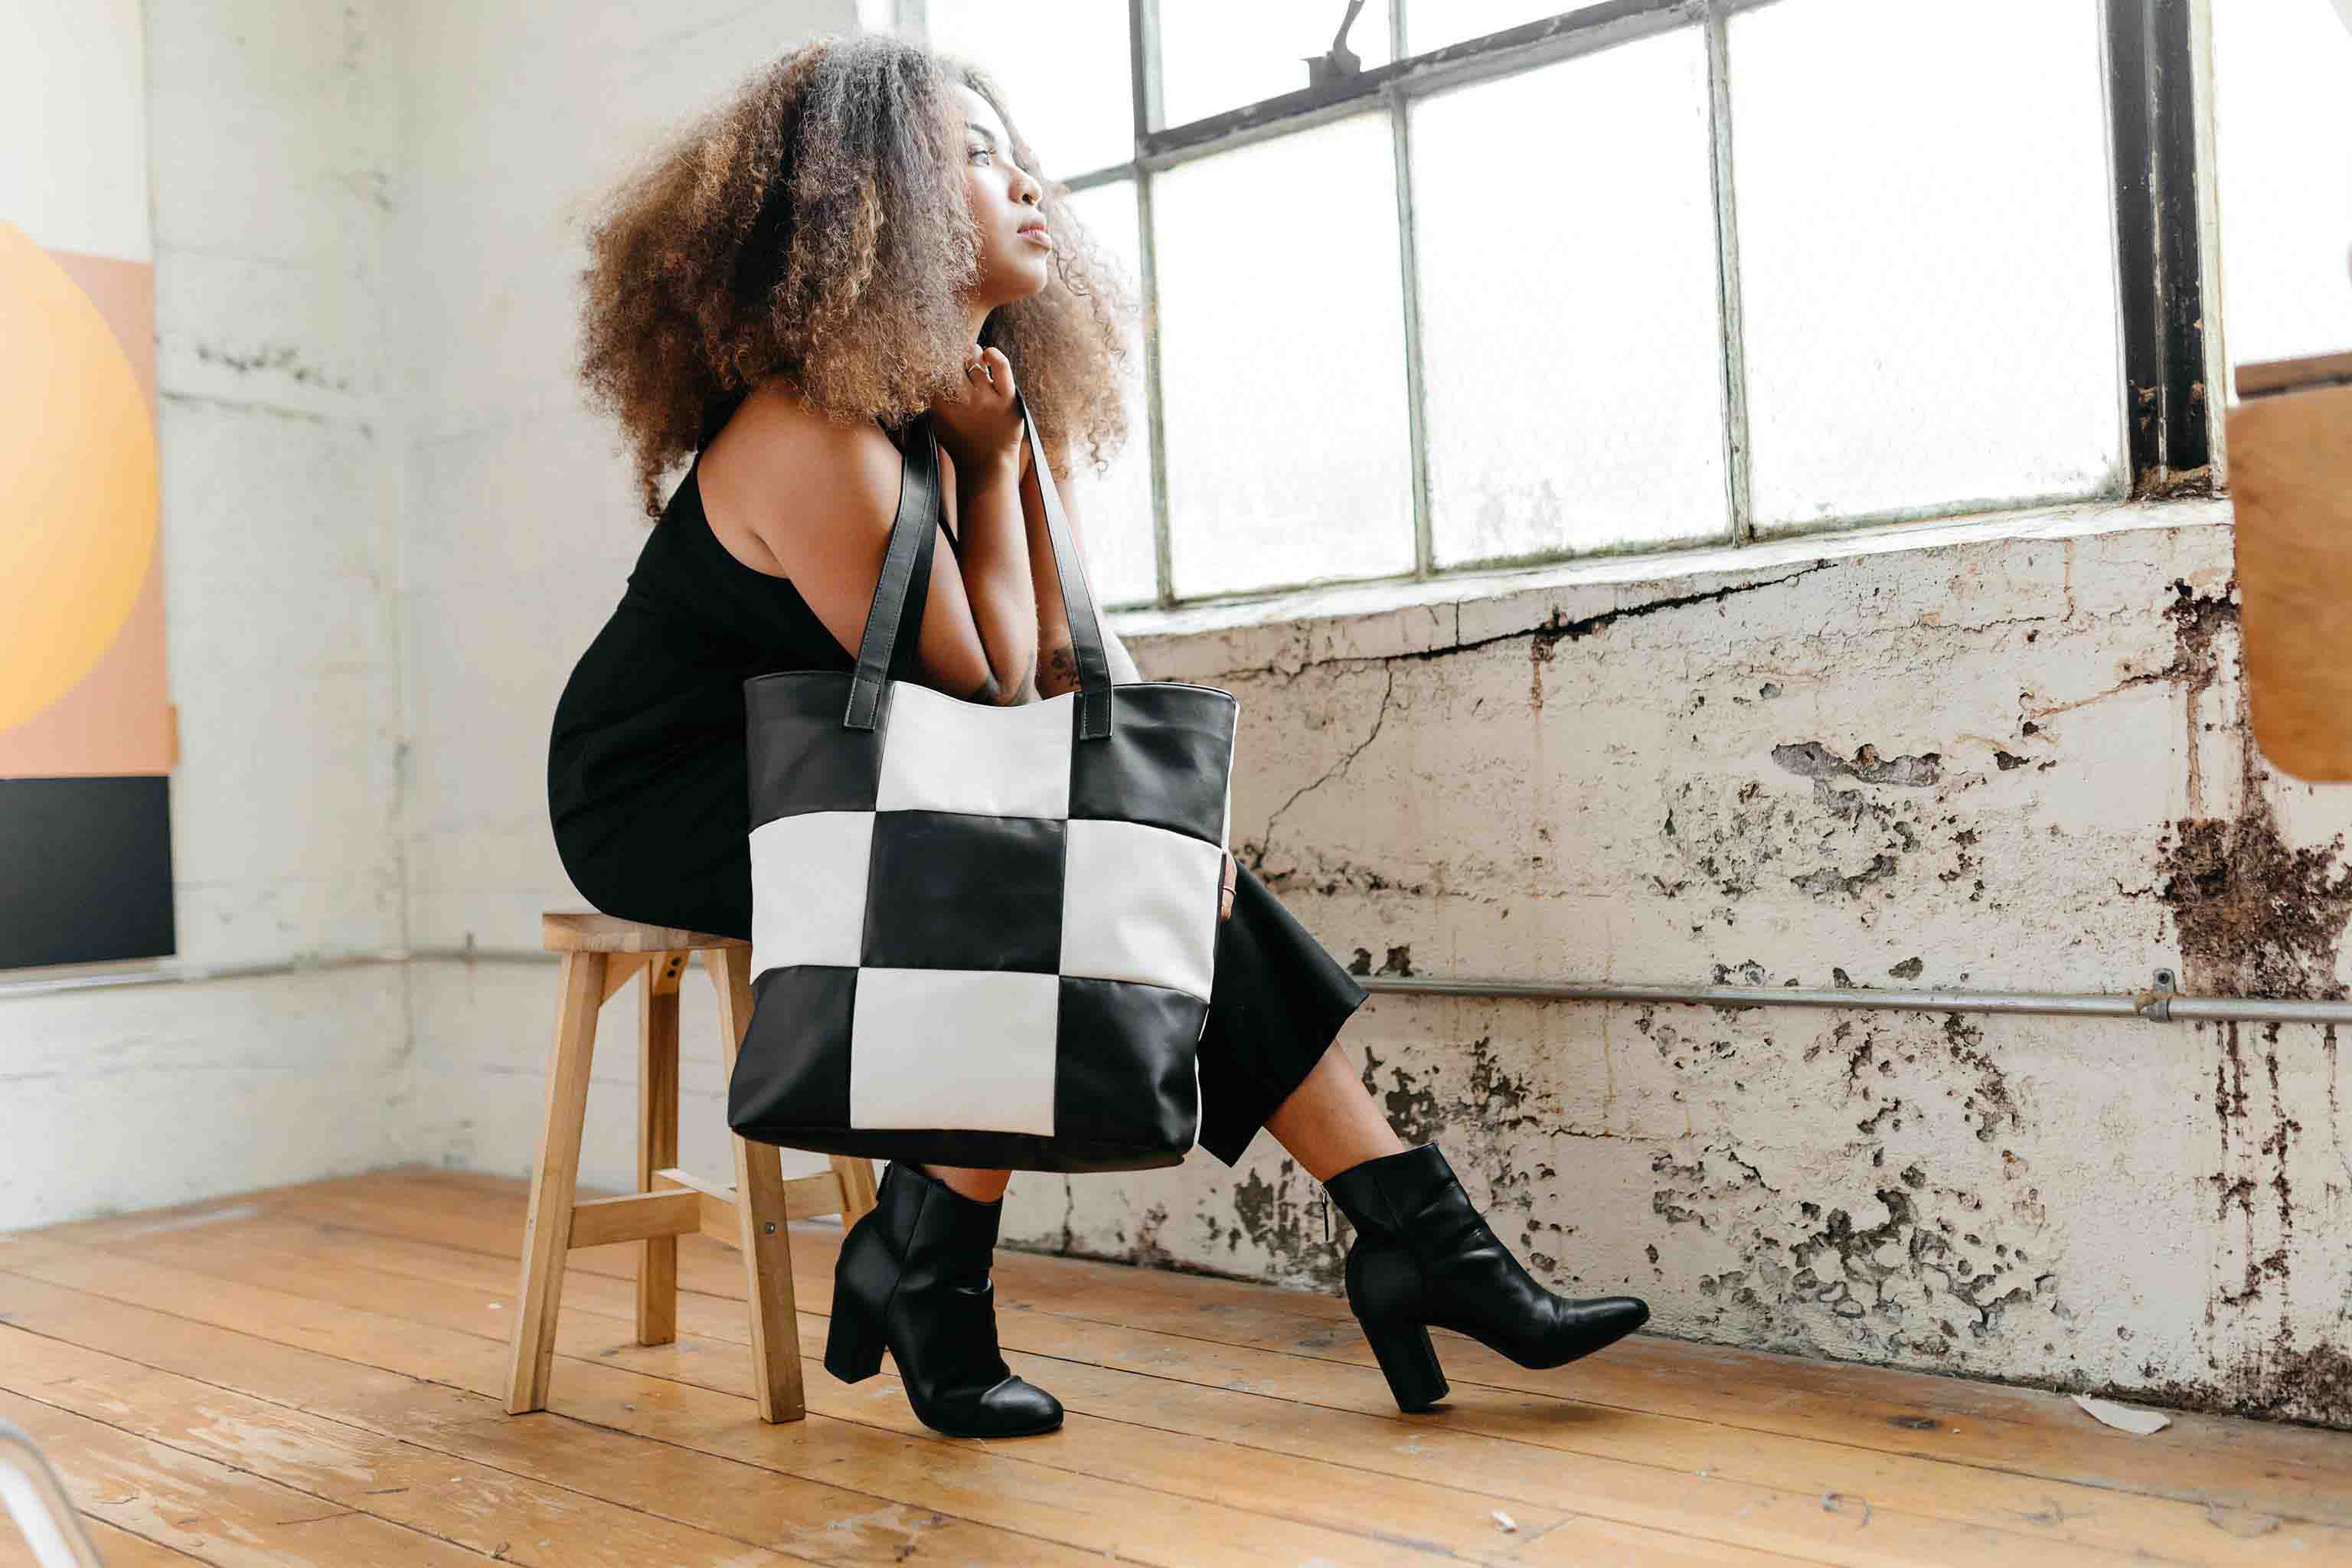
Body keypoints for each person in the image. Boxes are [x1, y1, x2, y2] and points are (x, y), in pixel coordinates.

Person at [548, 31, 1648, 1440]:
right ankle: (1389, 1252)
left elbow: (1071, 660)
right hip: (672, 791)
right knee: (1014, 880)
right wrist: (991, 469)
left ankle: (1362, 1238)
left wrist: (1179, 839)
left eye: (1015, 153)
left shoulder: (966, 402)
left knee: (1155, 879)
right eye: (972, 157)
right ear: (873, 202)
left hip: (856, 769)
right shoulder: (811, 430)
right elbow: (989, 691)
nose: (1025, 185)